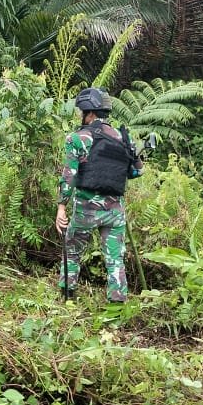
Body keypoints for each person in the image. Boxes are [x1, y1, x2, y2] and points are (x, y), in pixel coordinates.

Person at [55, 87, 143, 303]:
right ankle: (117, 305)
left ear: (89, 112)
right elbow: (136, 171)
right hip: (115, 212)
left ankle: (68, 295)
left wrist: (61, 207)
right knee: (115, 258)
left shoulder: (77, 138)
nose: (80, 116)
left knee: (73, 251)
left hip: (86, 210)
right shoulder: (124, 138)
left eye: (81, 111)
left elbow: (69, 177)